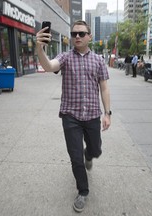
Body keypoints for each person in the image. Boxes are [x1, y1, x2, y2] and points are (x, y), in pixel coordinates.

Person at [36, 20, 111, 212]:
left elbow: (104, 87)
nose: (77, 36)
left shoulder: (98, 60)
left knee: (96, 150)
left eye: (81, 33)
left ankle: (90, 154)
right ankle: (83, 191)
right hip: (71, 116)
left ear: (89, 36)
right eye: (74, 33)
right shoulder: (66, 57)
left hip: (93, 114)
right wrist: (39, 48)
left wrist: (107, 113)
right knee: (75, 156)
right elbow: (49, 66)